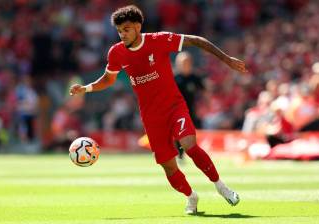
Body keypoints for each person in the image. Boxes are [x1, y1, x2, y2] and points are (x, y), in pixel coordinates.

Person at [70, 5, 248, 214]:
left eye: (126, 29)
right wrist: (86, 88)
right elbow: (108, 79)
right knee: (168, 165)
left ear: (138, 26)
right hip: (151, 116)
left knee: (189, 145)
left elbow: (197, 40)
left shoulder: (159, 40)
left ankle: (222, 187)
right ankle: (191, 197)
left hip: (174, 106)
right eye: (119, 31)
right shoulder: (116, 52)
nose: (122, 34)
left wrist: (227, 59)